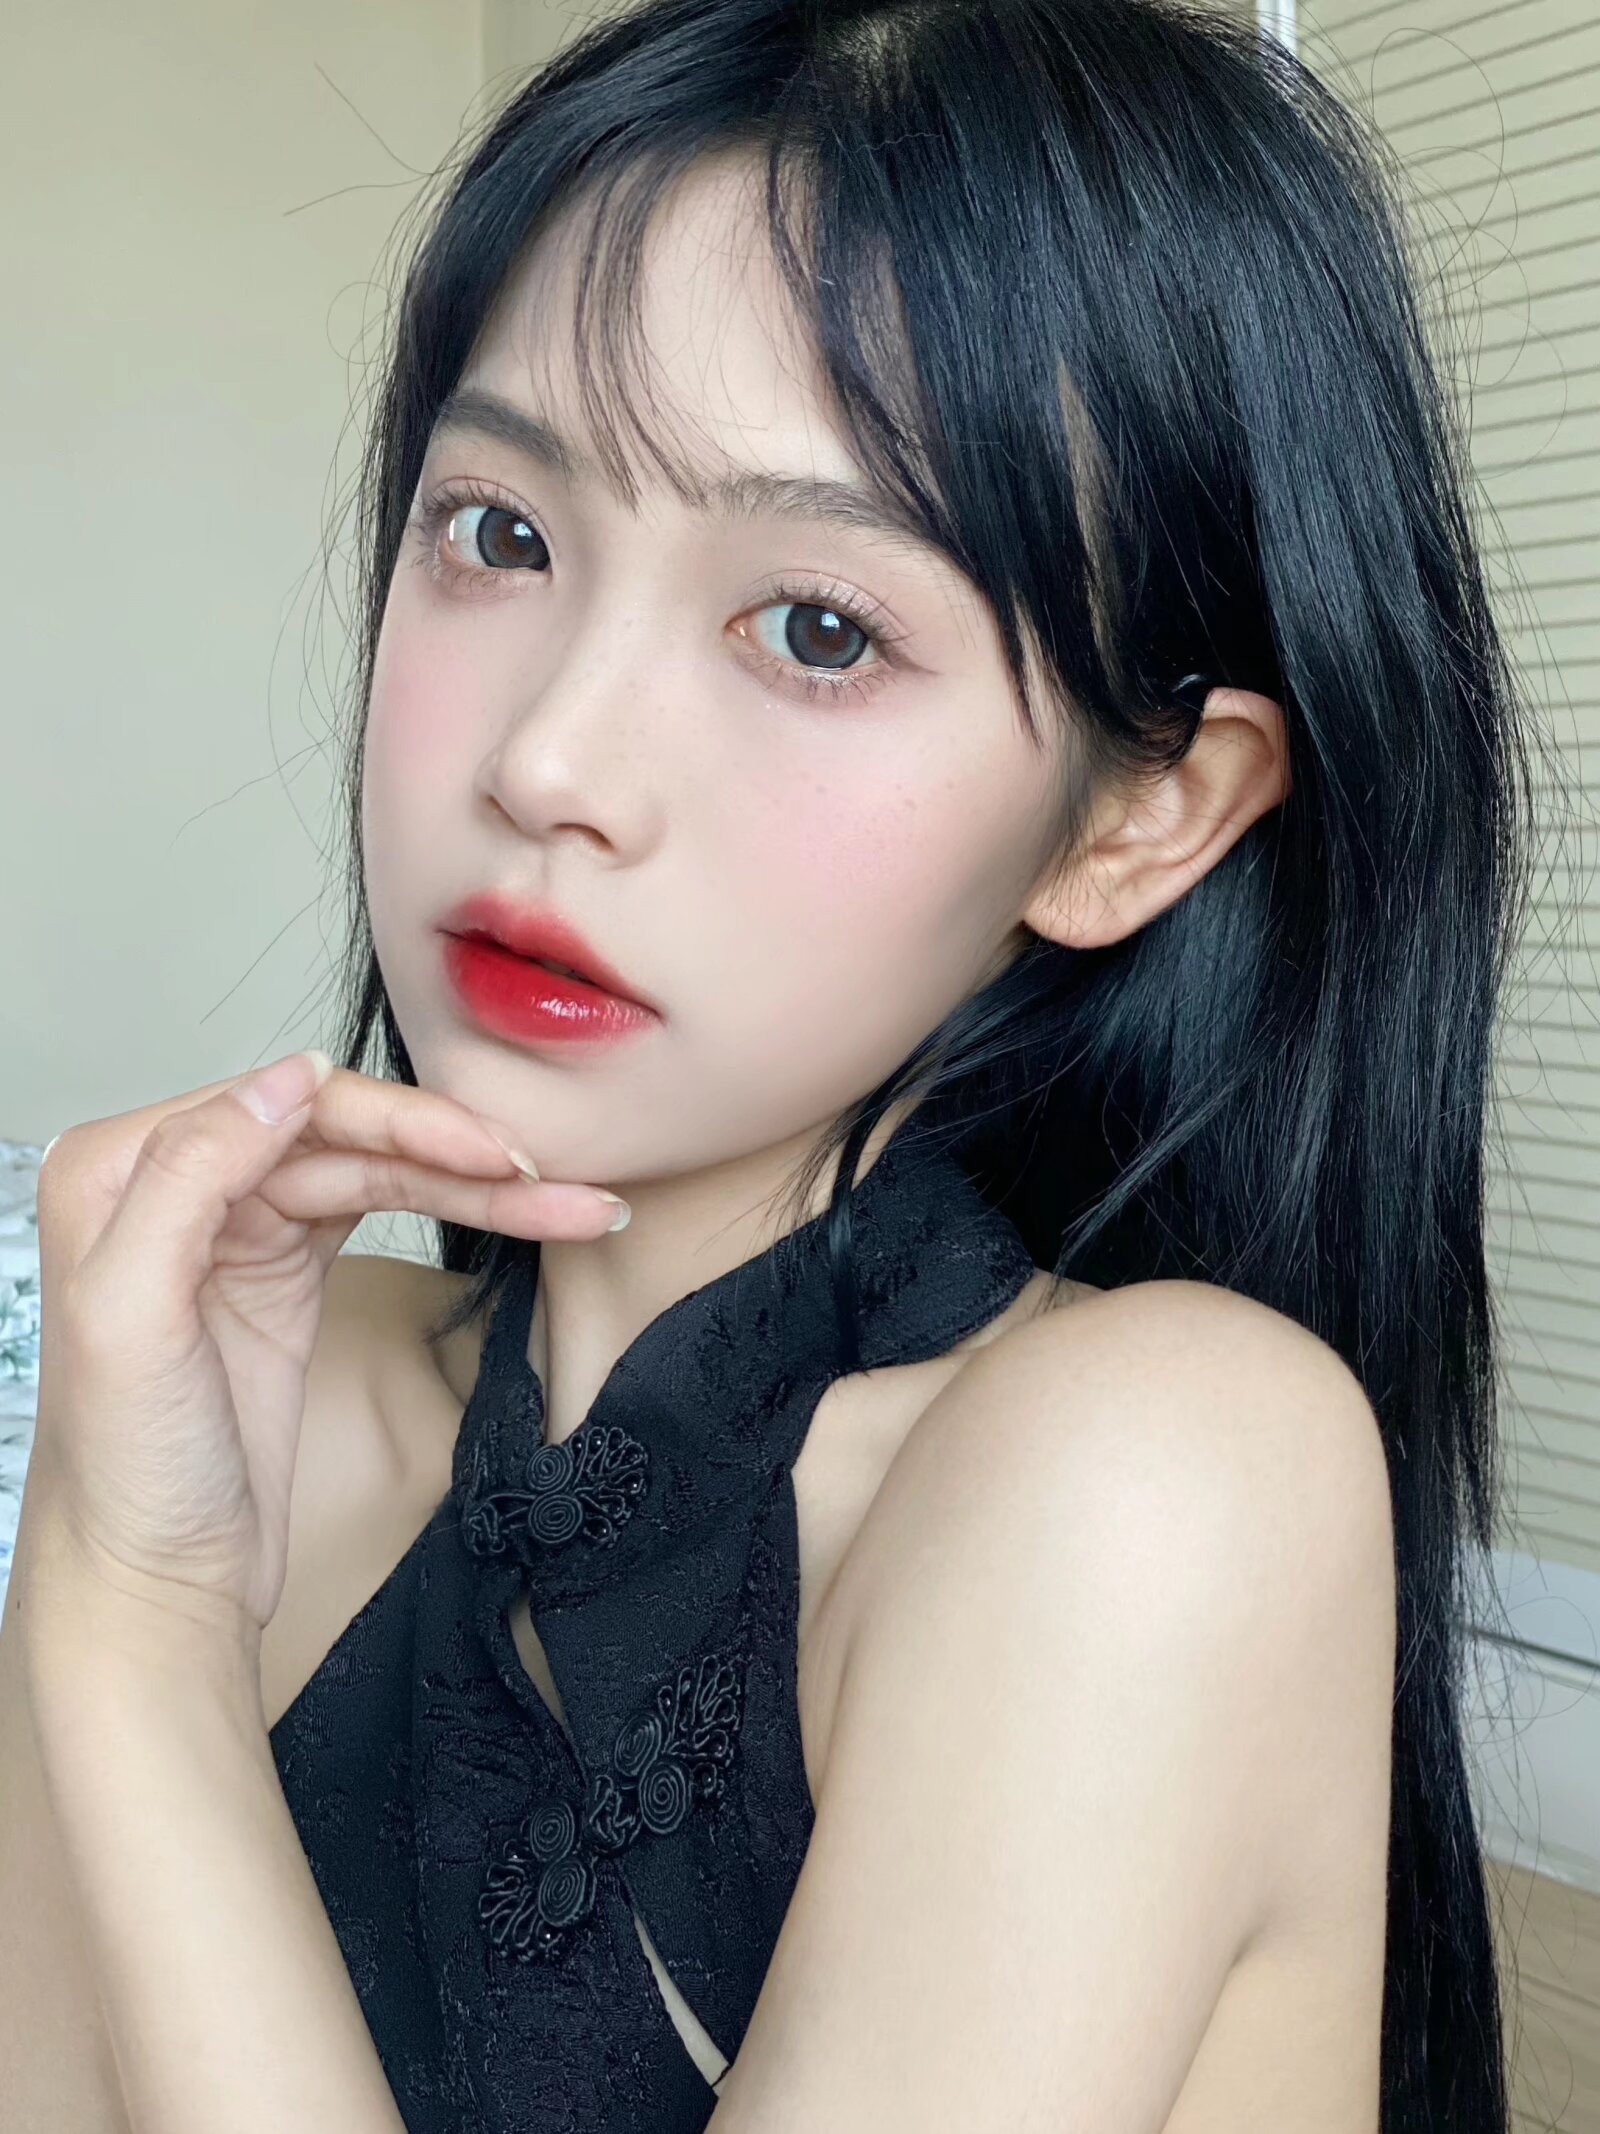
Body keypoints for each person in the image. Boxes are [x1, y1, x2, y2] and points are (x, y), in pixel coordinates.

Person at [1, 0, 1549, 2127]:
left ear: (1140, 817)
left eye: (818, 629)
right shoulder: (263, 1393)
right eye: (501, 533)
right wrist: (116, 1564)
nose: (549, 759)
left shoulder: (1158, 1478)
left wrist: (139, 1632)